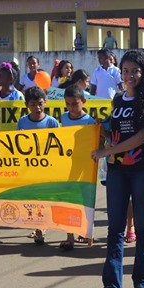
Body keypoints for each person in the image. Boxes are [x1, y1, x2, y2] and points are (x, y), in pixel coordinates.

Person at [91, 50, 144, 288]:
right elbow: (114, 133)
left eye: (134, 70)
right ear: (119, 73)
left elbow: (141, 138)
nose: (130, 75)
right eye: (125, 71)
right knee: (115, 229)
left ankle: (143, 282)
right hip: (117, 170)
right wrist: (99, 131)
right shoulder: (118, 101)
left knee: (143, 227)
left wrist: (106, 151)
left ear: (143, 73)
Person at [18, 86, 60, 246]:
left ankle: (40, 228)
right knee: (33, 199)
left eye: (40, 104)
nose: (37, 107)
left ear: (45, 103)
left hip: (47, 169)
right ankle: (38, 228)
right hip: (30, 169)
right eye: (33, 104)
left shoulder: (52, 122)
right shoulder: (23, 122)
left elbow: (59, 145)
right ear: (27, 105)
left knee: (44, 199)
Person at [57, 85, 96, 251]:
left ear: (84, 102)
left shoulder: (90, 121)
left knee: (86, 200)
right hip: (69, 165)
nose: (71, 107)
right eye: (68, 104)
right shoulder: (64, 118)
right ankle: (69, 236)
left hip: (86, 166)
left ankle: (88, 234)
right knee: (69, 199)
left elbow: (96, 143)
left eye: (75, 104)